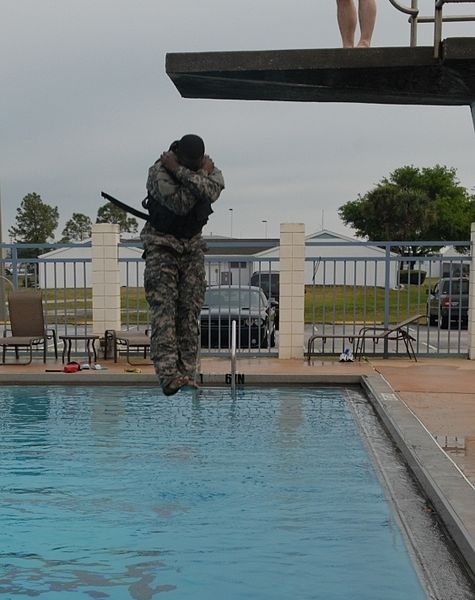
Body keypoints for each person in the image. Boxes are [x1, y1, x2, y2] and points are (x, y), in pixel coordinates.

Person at [140, 134, 225, 396]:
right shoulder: (159, 171)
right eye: (184, 165)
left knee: (189, 312)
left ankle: (187, 372)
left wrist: (184, 174)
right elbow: (180, 204)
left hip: (191, 248)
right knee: (164, 313)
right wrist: (193, 175)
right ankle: (167, 375)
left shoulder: (205, 167)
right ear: (176, 156)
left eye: (196, 165)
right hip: (162, 246)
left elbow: (214, 190)